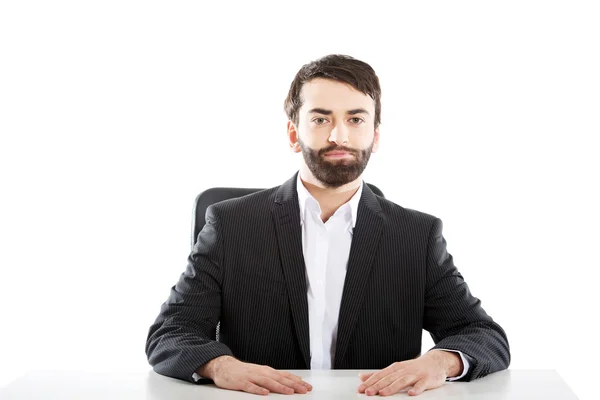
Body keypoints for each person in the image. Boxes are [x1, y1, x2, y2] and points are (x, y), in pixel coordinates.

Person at [145, 54, 510, 397]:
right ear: (293, 134)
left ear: (375, 135)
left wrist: (440, 361)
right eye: (321, 119)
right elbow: (172, 333)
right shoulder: (231, 224)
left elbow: (481, 335)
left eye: (356, 119)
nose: (339, 136)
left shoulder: (416, 235)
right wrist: (218, 365)